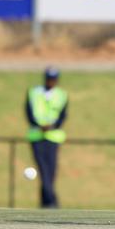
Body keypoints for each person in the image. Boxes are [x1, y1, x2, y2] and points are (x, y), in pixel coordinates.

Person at [25, 67, 68, 208]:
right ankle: (52, 202)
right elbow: (29, 113)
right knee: (43, 170)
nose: (51, 81)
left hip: (54, 138)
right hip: (37, 137)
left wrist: (53, 126)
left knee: (51, 171)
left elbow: (63, 116)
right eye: (49, 78)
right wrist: (39, 125)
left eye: (54, 79)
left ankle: (46, 202)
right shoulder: (34, 92)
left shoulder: (61, 94)